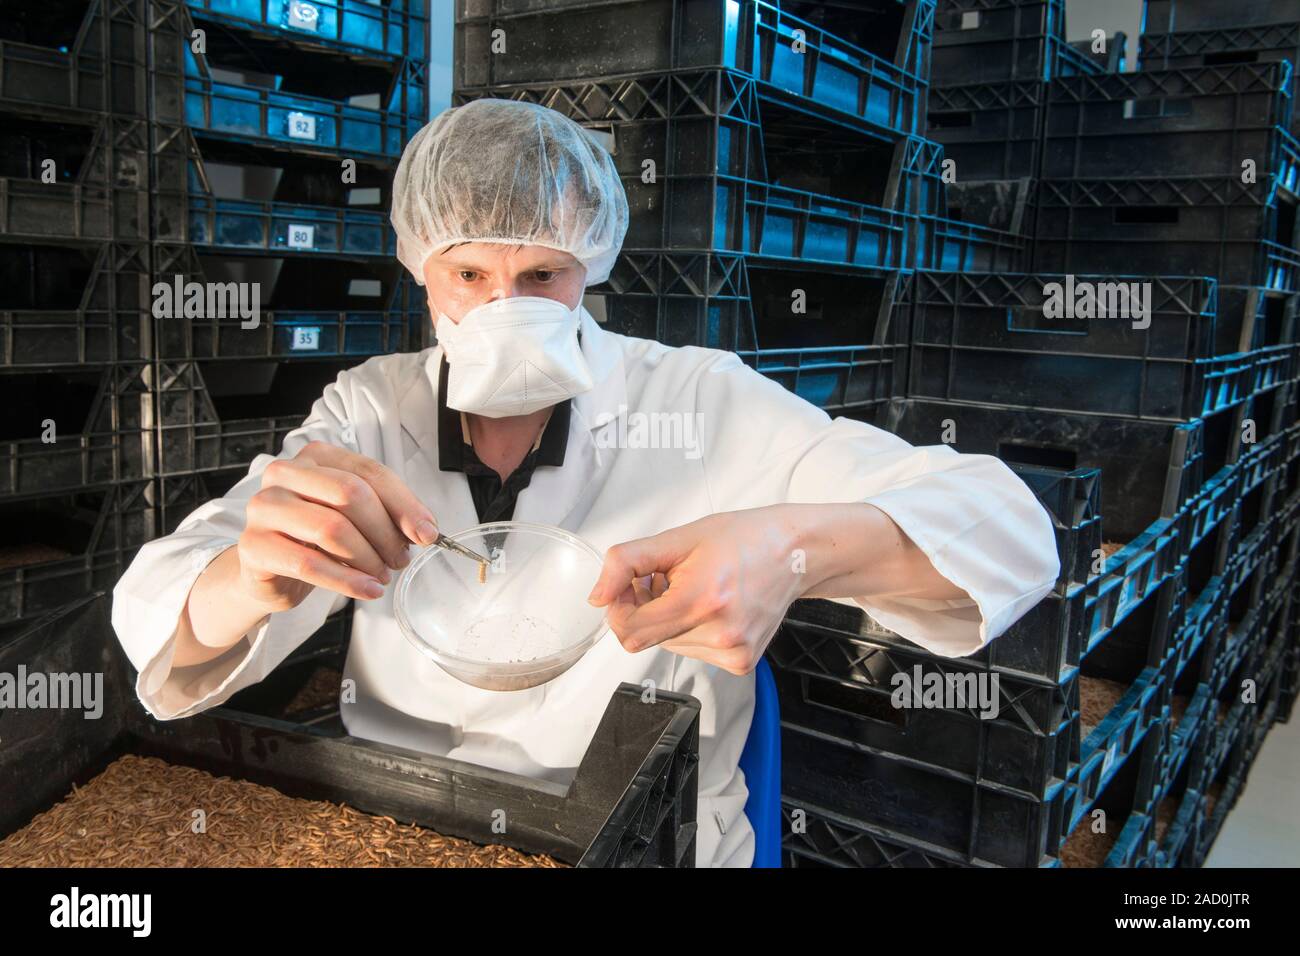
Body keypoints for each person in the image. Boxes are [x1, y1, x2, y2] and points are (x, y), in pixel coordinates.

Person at [111, 98, 1060, 868]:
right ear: (419, 266)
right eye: (469, 270)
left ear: (591, 264)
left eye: (544, 273)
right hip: (403, 822)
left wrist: (794, 546)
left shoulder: (696, 400)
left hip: (640, 829)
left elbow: (1007, 526)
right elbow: (168, 606)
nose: (502, 306)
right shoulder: (368, 410)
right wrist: (250, 576)